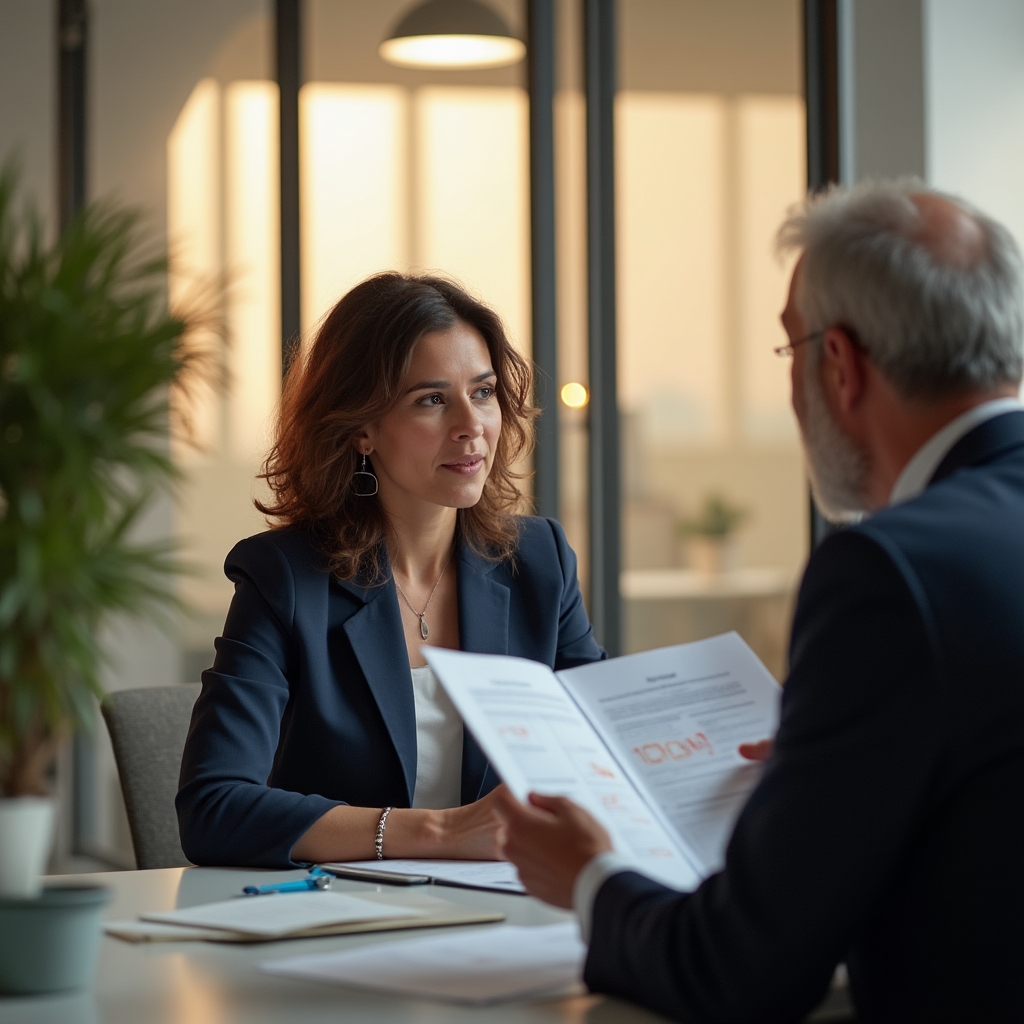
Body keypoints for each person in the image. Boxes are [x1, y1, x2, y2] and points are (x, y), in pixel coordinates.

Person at [496, 181, 1024, 1022]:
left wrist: (590, 876)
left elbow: (738, 970)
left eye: (793, 351)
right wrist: (834, 765)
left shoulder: (889, 572)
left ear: (841, 366)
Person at [176, 272, 604, 868]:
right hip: (341, 923)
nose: (470, 425)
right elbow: (213, 809)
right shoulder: (284, 580)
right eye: (432, 400)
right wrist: (440, 833)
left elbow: (603, 751)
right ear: (361, 430)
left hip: (508, 914)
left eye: (482, 393)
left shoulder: (539, 562)